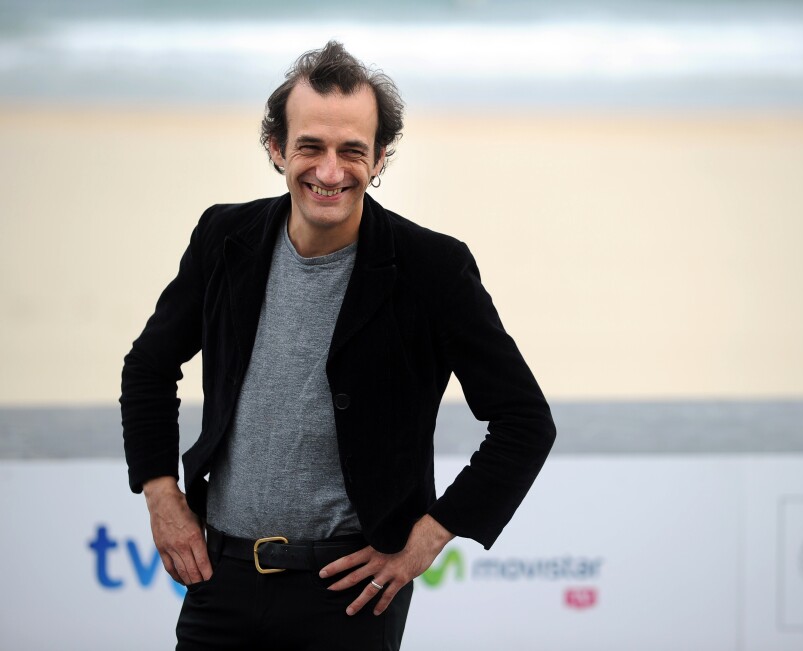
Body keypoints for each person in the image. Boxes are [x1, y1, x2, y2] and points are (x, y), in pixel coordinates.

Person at [121, 40, 555, 650]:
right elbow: (148, 365)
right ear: (276, 148)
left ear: (380, 158)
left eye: (352, 150)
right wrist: (161, 494)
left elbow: (525, 421)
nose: (330, 172)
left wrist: (430, 536)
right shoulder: (224, 236)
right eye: (310, 147)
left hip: (350, 596)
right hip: (220, 581)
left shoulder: (432, 268)